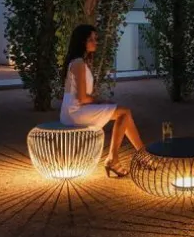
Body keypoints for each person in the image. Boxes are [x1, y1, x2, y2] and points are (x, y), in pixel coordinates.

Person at [60, 23, 146, 178]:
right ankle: (119, 158)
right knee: (123, 112)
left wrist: (101, 102)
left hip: (73, 110)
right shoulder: (78, 63)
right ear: (82, 42)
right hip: (75, 112)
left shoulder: (78, 61)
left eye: (95, 39)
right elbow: (82, 98)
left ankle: (140, 155)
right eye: (91, 39)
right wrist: (101, 101)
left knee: (124, 113)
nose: (95, 42)